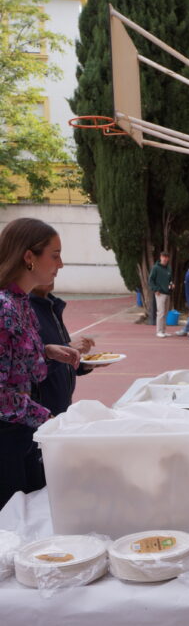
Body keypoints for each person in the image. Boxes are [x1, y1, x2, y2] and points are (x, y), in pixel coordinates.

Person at [0, 218, 80, 510]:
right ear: (29, 257)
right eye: (55, 255)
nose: (60, 264)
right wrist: (49, 419)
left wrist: (47, 351)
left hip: (23, 436)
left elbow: (13, 357)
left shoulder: (22, 303)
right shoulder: (4, 307)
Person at [30, 281, 95, 416]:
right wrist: (69, 348)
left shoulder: (50, 306)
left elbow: (55, 359)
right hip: (39, 416)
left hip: (58, 411)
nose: (59, 266)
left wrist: (83, 364)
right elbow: (25, 366)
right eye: (54, 258)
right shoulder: (24, 309)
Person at [148, 251, 173, 337]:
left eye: (166, 257)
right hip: (159, 293)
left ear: (168, 258)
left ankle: (163, 330)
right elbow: (150, 280)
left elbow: (170, 279)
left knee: (165, 313)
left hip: (167, 293)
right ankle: (159, 331)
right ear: (160, 257)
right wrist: (155, 289)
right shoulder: (155, 268)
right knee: (161, 312)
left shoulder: (169, 268)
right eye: (163, 257)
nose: (165, 259)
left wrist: (171, 284)